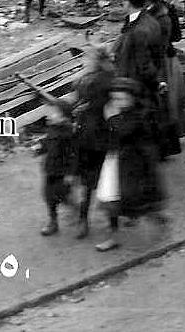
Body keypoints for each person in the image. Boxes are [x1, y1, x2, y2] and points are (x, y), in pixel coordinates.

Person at [94, 77, 167, 252]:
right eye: (115, 98)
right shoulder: (122, 113)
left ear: (132, 98)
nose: (117, 102)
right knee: (109, 198)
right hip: (115, 162)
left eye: (121, 99)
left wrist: (111, 118)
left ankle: (156, 218)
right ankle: (113, 236)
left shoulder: (139, 116)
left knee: (136, 201)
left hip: (133, 166)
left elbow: (124, 131)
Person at [70, 45, 115, 239]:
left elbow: (81, 99)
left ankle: (84, 220)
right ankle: (107, 221)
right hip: (97, 134)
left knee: (92, 181)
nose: (85, 62)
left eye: (88, 59)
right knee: (104, 180)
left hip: (94, 134)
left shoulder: (97, 81)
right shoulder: (108, 77)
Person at [144, 0, 184, 158]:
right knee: (167, 104)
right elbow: (177, 37)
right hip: (169, 60)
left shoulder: (154, 14)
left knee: (161, 104)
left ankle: (162, 148)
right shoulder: (168, 9)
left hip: (160, 62)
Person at [39, 98, 77, 236]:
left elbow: (73, 155)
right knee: (48, 195)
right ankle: (53, 222)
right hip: (50, 169)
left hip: (62, 171)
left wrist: (71, 174)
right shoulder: (51, 128)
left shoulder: (68, 133)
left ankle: (73, 207)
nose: (49, 115)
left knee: (62, 194)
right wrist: (40, 149)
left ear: (64, 117)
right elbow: (48, 144)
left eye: (53, 113)